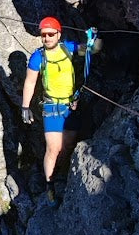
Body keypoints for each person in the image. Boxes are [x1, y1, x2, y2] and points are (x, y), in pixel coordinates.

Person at [20, 16, 99, 194]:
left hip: (70, 106)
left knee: (69, 144)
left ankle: (60, 171)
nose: (46, 38)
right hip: (51, 107)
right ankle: (50, 185)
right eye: (43, 35)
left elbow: (92, 50)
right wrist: (25, 107)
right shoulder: (37, 57)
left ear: (58, 34)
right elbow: (30, 83)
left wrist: (93, 38)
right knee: (54, 148)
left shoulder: (68, 48)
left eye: (50, 34)